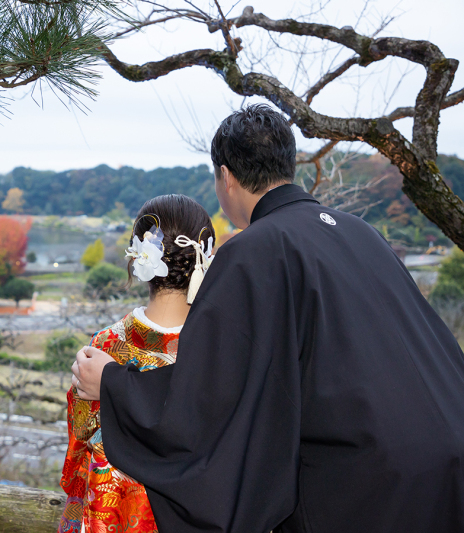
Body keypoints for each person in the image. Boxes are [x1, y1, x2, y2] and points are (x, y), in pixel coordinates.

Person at [71, 104, 464, 533]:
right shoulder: (360, 232)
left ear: (226, 177)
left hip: (367, 481)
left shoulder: (254, 249)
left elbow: (209, 395)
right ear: (288, 164)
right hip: (445, 460)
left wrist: (113, 383)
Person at [58, 195, 215, 533]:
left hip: (110, 511)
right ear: (205, 259)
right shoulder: (221, 352)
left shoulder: (104, 348)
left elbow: (79, 438)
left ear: (137, 259)